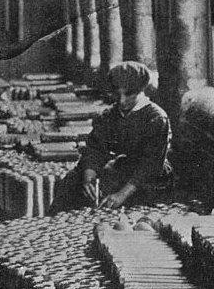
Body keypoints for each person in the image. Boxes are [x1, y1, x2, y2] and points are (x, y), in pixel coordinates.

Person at [49, 61, 172, 213]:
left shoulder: (156, 118)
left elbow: (150, 165)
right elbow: (95, 149)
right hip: (124, 167)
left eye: (128, 94)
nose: (121, 101)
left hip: (150, 176)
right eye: (117, 94)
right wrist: (89, 179)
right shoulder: (109, 115)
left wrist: (121, 195)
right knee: (72, 181)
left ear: (141, 90)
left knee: (130, 206)